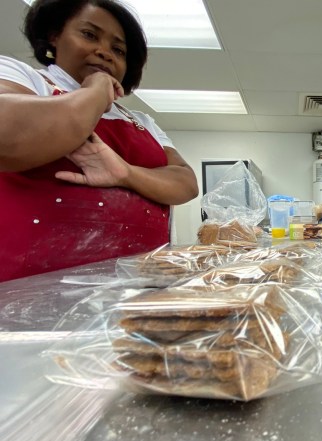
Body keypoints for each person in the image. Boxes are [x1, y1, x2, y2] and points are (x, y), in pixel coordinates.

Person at [0, 0, 199, 282]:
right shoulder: (25, 79)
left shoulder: (141, 121)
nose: (104, 52)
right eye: (89, 35)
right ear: (55, 36)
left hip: (141, 286)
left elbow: (185, 183)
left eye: (118, 50)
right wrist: (96, 89)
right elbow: (9, 137)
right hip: (33, 286)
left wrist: (125, 173)